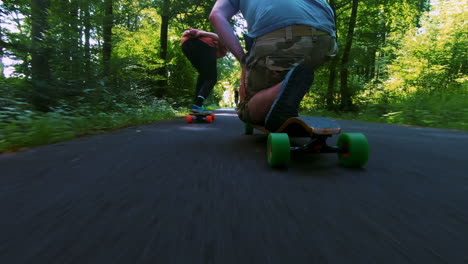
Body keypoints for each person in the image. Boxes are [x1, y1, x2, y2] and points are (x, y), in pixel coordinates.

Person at [209, 0, 338, 131]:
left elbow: (216, 15)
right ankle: (289, 83)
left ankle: (286, 85)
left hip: (284, 39)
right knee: (283, 71)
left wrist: (244, 62)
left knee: (246, 110)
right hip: (326, 42)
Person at [181, 28, 227, 113]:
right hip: (202, 46)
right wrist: (202, 32)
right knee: (212, 78)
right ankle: (198, 104)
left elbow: (186, 32)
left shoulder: (218, 48)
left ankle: (196, 104)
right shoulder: (224, 40)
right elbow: (217, 37)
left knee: (203, 75)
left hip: (185, 46)